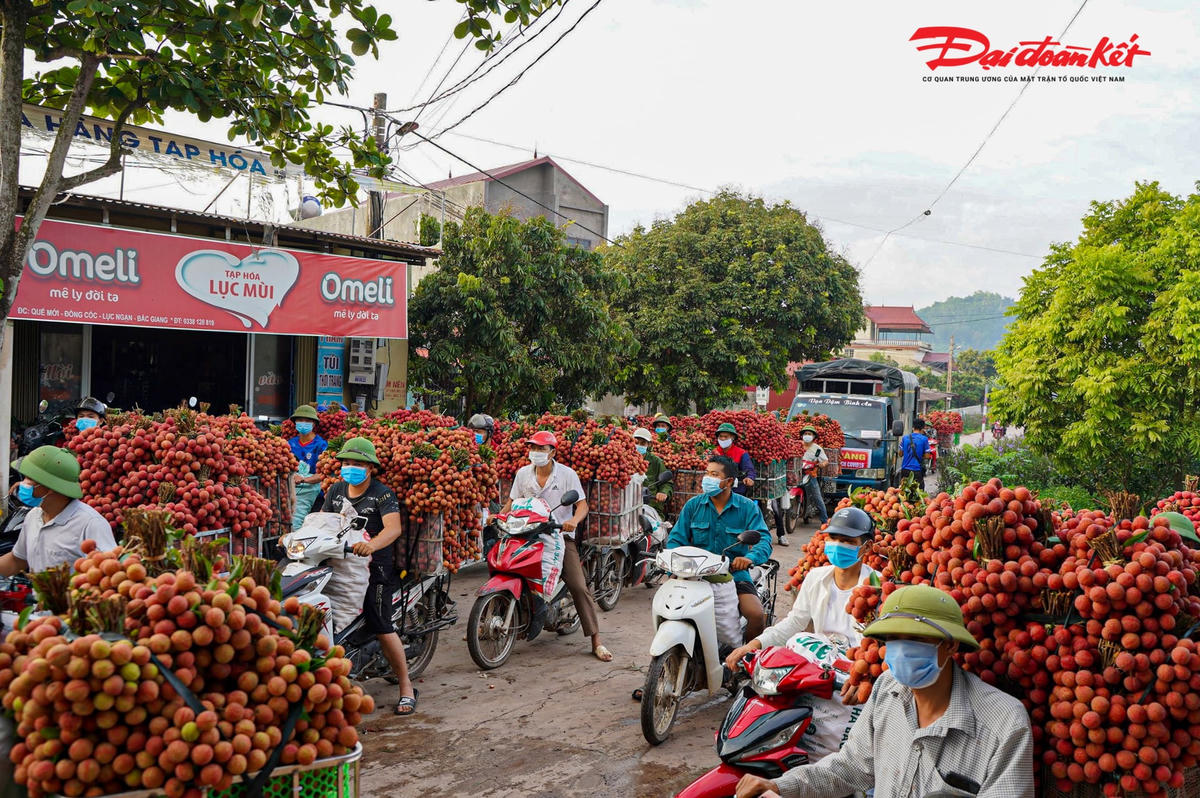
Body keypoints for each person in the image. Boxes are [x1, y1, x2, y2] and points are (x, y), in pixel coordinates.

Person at [734, 584, 1035, 798]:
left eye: (915, 638)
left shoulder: (1004, 723)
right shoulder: (887, 690)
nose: (901, 650)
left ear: (951, 645)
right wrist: (781, 785)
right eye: (893, 639)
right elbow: (851, 767)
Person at [320, 437, 418, 716]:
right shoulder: (336, 490)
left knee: (380, 622)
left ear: (370, 467)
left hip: (376, 566)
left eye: (357, 464)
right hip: (341, 564)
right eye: (347, 463)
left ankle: (406, 686)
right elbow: (323, 521)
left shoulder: (382, 494)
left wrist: (371, 545)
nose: (350, 468)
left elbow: (393, 529)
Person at [500, 430, 612, 662]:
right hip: (526, 533)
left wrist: (572, 521)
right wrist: (498, 516)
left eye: (541, 449)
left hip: (558, 536)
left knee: (578, 585)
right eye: (533, 448)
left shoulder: (567, 475)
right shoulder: (523, 474)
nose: (536, 452)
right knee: (505, 567)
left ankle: (596, 640)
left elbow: (582, 505)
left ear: (552, 452)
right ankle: (491, 617)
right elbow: (511, 502)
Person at [726, 506, 879, 670]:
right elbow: (794, 622)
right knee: (794, 643)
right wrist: (754, 644)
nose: (837, 545)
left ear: (867, 547)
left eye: (847, 541)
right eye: (833, 538)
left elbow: (879, 647)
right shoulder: (816, 577)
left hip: (858, 667)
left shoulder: (877, 587)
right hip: (821, 664)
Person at [668, 455, 772, 641]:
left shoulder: (746, 507)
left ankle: (744, 661)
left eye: (714, 474)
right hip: (694, 574)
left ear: (729, 481)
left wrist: (750, 558)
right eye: (707, 473)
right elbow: (676, 539)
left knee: (756, 615)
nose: (707, 478)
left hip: (733, 574)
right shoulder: (693, 505)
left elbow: (763, 539)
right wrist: (673, 566)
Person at [0, 445, 116, 576]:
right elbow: (18, 560)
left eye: (30, 479)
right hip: (39, 597)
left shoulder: (91, 524)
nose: (22, 484)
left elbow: (110, 571)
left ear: (51, 486)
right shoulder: (33, 516)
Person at [288, 405, 328, 532]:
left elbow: (323, 474)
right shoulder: (290, 443)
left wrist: (304, 479)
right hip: (293, 489)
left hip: (314, 493)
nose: (303, 424)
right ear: (295, 423)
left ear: (314, 424)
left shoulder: (321, 445)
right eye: (300, 420)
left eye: (307, 421)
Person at [632, 427, 672, 516]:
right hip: (629, 505)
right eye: (636, 442)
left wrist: (663, 493)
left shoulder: (656, 461)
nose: (638, 445)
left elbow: (667, 483)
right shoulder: (626, 459)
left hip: (651, 507)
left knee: (656, 528)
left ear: (649, 444)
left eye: (643, 443)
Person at [797, 424, 829, 527]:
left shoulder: (817, 449)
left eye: (809, 434)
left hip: (810, 475)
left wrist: (821, 464)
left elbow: (825, 461)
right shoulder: (797, 445)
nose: (807, 435)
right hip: (796, 474)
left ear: (814, 437)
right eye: (805, 433)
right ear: (802, 435)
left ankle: (825, 521)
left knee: (817, 498)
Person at [714, 422, 757, 495]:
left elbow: (749, 469)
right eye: (720, 436)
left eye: (726, 436)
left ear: (732, 438)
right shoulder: (714, 452)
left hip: (736, 491)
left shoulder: (741, 453)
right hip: (716, 490)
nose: (723, 439)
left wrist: (750, 478)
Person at [899, 418, 932, 487]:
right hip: (917, 470)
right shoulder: (924, 439)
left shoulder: (905, 438)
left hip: (905, 469)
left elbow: (900, 454)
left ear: (913, 427)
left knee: (904, 492)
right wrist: (920, 455)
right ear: (922, 428)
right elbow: (927, 456)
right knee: (918, 491)